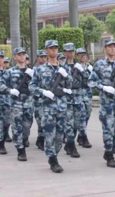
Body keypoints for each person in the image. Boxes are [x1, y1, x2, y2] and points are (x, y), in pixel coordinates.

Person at [29, 40, 73, 173]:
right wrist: (43, 92)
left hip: (61, 107)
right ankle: (53, 159)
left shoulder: (64, 68)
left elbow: (70, 85)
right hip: (47, 108)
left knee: (60, 137)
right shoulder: (40, 69)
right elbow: (32, 86)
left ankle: (54, 153)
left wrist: (66, 76)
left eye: (55, 48)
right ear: (46, 50)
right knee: (49, 134)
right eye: (51, 48)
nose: (54, 50)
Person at [88, 38, 115, 168]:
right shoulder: (100, 64)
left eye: (114, 46)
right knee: (108, 128)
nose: (112, 48)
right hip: (106, 103)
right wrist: (103, 87)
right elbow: (91, 82)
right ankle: (109, 154)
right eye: (109, 46)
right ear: (105, 49)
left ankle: (110, 148)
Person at [0, 47, 34, 161]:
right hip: (16, 103)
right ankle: (20, 151)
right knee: (17, 127)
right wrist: (9, 91)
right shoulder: (10, 72)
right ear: (15, 57)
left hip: (29, 103)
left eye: (23, 54)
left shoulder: (32, 71)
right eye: (19, 54)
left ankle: (24, 139)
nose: (22, 56)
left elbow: (39, 86)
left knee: (27, 127)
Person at [61, 43, 85, 158]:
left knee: (76, 124)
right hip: (67, 99)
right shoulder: (61, 67)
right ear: (64, 53)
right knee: (69, 124)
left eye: (72, 51)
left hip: (78, 98)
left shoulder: (79, 66)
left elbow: (87, 80)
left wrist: (83, 71)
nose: (70, 53)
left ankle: (69, 144)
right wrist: (64, 89)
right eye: (68, 51)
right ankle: (71, 145)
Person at [75, 48, 93, 148]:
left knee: (87, 115)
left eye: (84, 54)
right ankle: (84, 137)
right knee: (81, 116)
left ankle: (80, 134)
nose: (83, 56)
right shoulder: (76, 67)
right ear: (77, 56)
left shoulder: (90, 67)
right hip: (79, 95)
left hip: (88, 94)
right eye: (80, 54)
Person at [34, 50, 48, 150]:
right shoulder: (34, 70)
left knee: (46, 121)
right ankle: (41, 139)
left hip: (48, 100)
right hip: (38, 100)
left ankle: (41, 139)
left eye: (44, 57)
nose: (43, 58)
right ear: (37, 58)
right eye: (41, 57)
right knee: (40, 121)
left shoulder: (49, 69)